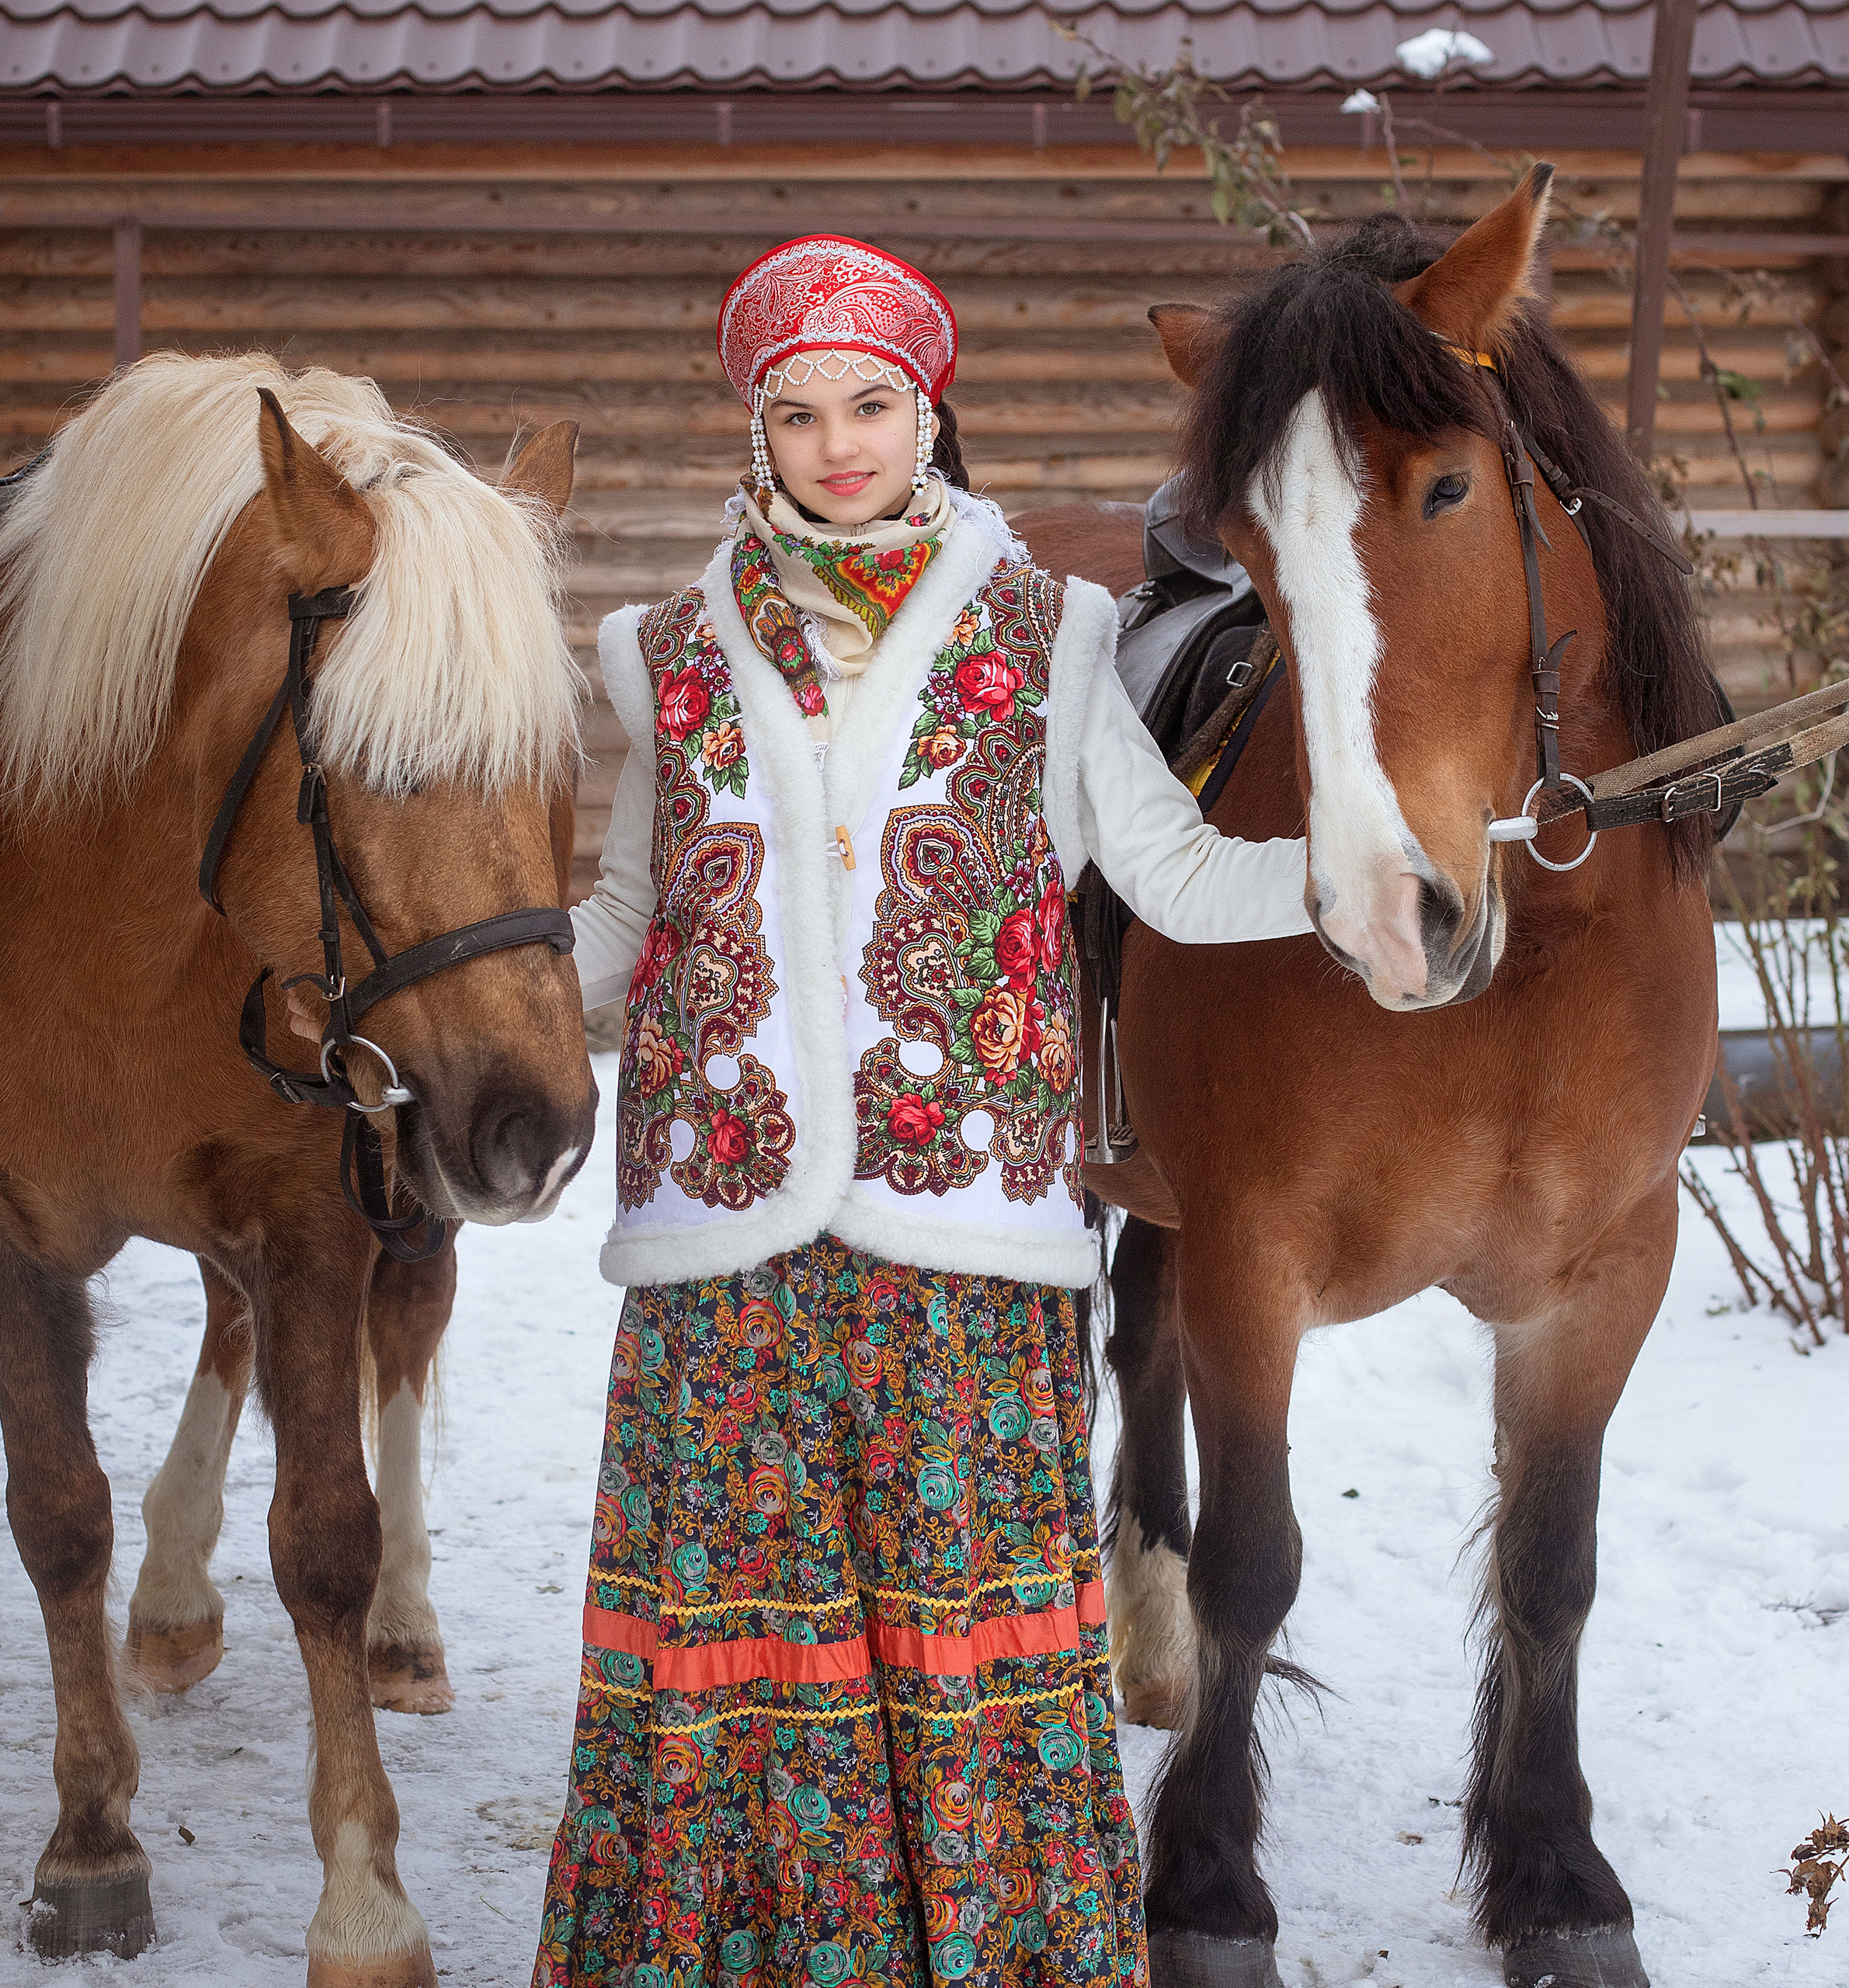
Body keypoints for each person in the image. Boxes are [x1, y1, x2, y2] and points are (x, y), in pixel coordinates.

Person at [531, 235, 1312, 1988]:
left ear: (926, 407)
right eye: (795, 410)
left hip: (966, 1230)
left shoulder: (1053, 629)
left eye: (870, 403)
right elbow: (626, 920)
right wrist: (460, 998)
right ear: (756, 426)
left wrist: (1357, 880)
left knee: (963, 1627)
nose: (836, 443)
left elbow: (1174, 874)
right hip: (720, 1238)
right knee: (740, 1627)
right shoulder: (659, 652)